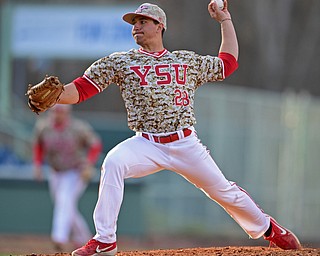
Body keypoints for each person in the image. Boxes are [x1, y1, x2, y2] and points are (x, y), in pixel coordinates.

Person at [29, 1, 301, 255]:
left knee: (224, 192)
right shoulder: (120, 62)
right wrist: (55, 96)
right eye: (134, 22)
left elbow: (227, 63)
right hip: (146, 143)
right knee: (113, 163)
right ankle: (105, 239)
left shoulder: (185, 60)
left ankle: (268, 228)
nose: (136, 26)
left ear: (160, 26)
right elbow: (81, 90)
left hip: (184, 143)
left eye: (143, 21)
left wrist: (225, 20)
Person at [32, 104, 103, 251]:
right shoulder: (44, 127)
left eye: (60, 111)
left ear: (67, 113)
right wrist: (37, 165)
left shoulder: (78, 127)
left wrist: (89, 164)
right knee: (65, 206)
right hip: (56, 171)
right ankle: (83, 238)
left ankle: (59, 238)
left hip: (76, 171)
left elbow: (95, 145)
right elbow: (38, 145)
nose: (57, 114)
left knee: (64, 202)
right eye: (54, 111)